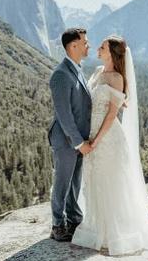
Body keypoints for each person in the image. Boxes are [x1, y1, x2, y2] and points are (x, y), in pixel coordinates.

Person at [72, 36, 148, 255]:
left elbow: (112, 115)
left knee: (110, 182)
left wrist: (97, 140)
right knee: (94, 180)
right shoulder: (97, 73)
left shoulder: (117, 78)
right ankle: (96, 229)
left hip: (108, 137)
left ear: (112, 52)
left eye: (102, 47)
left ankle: (114, 233)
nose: (98, 49)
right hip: (92, 134)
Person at [47, 27, 95, 243]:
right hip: (66, 141)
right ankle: (58, 225)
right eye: (85, 42)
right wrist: (78, 143)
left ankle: (74, 218)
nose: (88, 45)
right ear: (73, 46)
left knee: (74, 182)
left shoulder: (76, 69)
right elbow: (64, 115)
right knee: (62, 183)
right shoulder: (60, 75)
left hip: (78, 140)